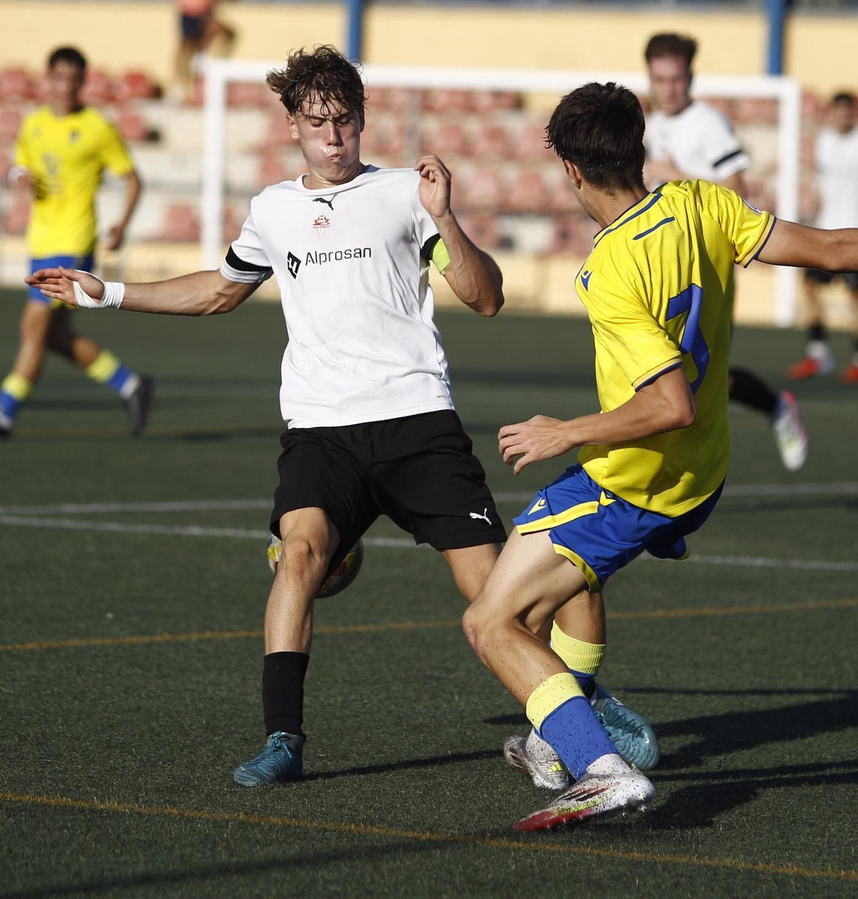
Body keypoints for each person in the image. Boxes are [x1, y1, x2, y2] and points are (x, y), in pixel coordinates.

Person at [461, 81, 858, 831]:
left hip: (634, 484)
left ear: (570, 170)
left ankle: (601, 768)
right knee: (563, 585)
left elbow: (669, 405)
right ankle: (556, 739)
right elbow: (831, 247)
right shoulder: (701, 204)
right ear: (640, 147)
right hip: (703, 476)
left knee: (490, 623)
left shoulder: (610, 271)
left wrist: (565, 430)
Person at [29, 45, 519, 788]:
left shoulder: (403, 195)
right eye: (317, 121)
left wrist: (445, 219)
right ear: (293, 123)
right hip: (322, 428)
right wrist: (109, 293)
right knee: (299, 552)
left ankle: (577, 712)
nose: (333, 137)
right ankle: (283, 738)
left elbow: (486, 298)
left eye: (345, 121)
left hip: (417, 418)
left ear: (362, 121)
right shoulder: (272, 209)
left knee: (492, 589)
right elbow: (218, 291)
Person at [0, 46, 150, 439]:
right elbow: (20, 164)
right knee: (53, 335)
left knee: (32, 324)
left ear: (83, 83)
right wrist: (19, 177)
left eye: (74, 79)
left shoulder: (98, 128)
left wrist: (121, 226)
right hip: (40, 241)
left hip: (74, 242)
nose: (66, 86)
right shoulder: (33, 125)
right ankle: (130, 385)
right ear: (47, 79)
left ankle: (2, 413)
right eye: (59, 77)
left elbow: (132, 177)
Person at [642, 32, 807, 471]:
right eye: (660, 79)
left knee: (702, 375)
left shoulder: (709, 124)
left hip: (705, 265)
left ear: (690, 76)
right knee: (664, 371)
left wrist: (676, 174)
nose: (669, 88)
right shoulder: (654, 124)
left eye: (676, 79)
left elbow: (738, 193)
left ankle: (774, 408)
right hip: (663, 262)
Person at [787, 92, 858, 384]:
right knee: (809, 285)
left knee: (855, 296)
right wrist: (815, 215)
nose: (842, 117)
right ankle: (819, 354)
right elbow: (820, 183)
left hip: (855, 231)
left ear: (854, 114)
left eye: (847, 112)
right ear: (831, 113)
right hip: (825, 231)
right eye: (837, 112)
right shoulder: (824, 141)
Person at [172, 0, 242, 105]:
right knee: (185, 48)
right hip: (188, 11)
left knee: (227, 34)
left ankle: (204, 64)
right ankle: (181, 88)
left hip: (206, 12)